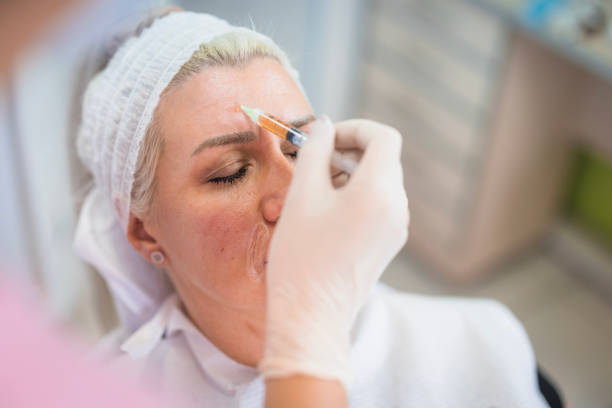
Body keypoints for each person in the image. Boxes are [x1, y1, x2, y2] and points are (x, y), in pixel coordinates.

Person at [73, 8, 549, 407]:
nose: (296, 193)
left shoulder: (479, 342)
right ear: (144, 233)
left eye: (301, 148)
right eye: (230, 173)